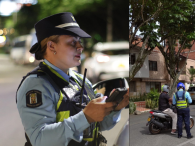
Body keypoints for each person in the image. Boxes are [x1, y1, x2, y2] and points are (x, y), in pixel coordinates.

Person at [16, 12, 129, 146]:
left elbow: (99, 125)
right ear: (51, 46)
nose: (80, 47)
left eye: (79, 41)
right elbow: (40, 140)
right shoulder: (36, 84)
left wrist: (115, 108)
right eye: (72, 42)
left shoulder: (82, 81)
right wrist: (85, 117)